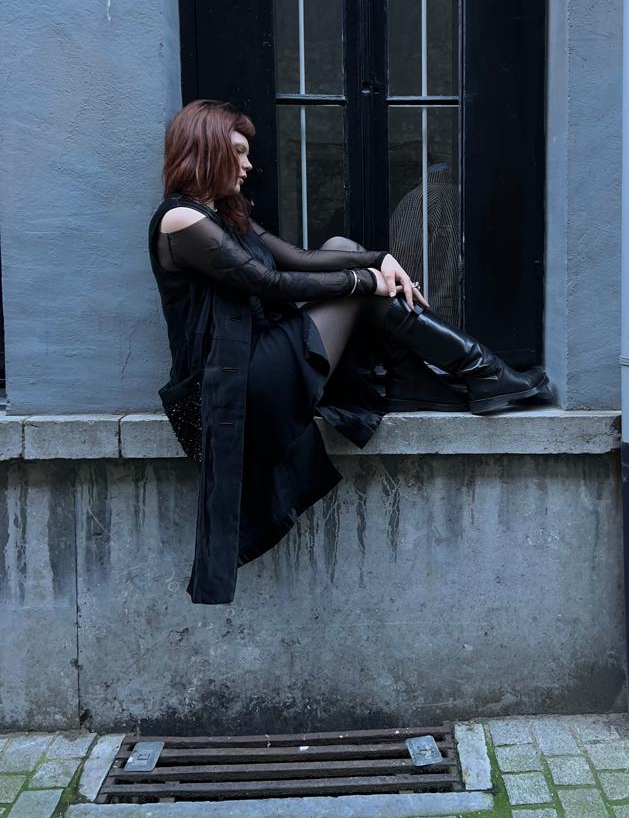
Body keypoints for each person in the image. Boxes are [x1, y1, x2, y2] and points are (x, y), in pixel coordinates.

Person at [148, 99, 553, 603]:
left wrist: (380, 259)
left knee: (342, 245)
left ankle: (462, 375)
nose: (249, 165)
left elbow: (300, 258)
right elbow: (268, 282)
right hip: (233, 385)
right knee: (359, 290)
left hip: (256, 359)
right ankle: (479, 369)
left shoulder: (225, 214)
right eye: (238, 152)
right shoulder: (180, 220)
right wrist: (364, 281)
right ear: (206, 149)